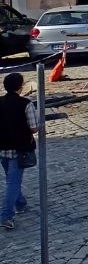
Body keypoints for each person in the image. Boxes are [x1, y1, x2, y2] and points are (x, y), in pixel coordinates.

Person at [0, 73, 37, 229]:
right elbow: (34, 127)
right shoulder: (25, 104)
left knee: (11, 179)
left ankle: (20, 203)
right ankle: (6, 216)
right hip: (19, 149)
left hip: (2, 149)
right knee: (13, 182)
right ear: (20, 86)